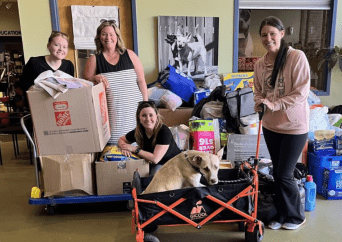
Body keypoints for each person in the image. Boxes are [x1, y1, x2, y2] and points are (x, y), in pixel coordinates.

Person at [253, 16, 310, 230]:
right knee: (276, 172)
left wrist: (275, 104)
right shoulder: (260, 64)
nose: (268, 39)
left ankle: (296, 216)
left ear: (282, 34)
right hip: (270, 126)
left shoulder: (296, 57)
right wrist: (259, 102)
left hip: (294, 127)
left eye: (272, 34)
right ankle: (279, 214)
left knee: (285, 174)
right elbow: (258, 90)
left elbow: (301, 92)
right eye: (264, 35)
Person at [83, 20, 148, 145]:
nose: (108, 38)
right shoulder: (94, 59)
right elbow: (85, 85)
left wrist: (146, 105)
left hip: (134, 110)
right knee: (115, 146)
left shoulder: (129, 54)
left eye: (111, 34)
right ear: (99, 37)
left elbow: (141, 81)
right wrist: (95, 78)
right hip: (113, 113)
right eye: (104, 34)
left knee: (137, 145)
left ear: (117, 36)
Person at [118, 101, 181, 176]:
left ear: (156, 116)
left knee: (153, 176)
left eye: (151, 115)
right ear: (139, 117)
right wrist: (124, 147)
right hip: (154, 163)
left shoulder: (164, 131)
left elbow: (155, 159)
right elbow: (121, 139)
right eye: (144, 115)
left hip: (173, 163)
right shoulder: (139, 131)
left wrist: (134, 149)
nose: (148, 119)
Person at [18, 31, 74, 108]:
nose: (61, 49)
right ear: (48, 46)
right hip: (38, 106)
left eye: (64, 47)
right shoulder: (34, 62)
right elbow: (23, 84)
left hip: (60, 106)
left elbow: (70, 88)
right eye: (56, 45)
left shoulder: (69, 65)